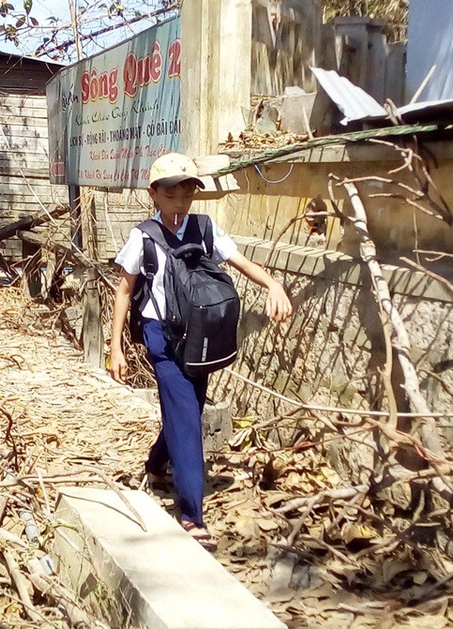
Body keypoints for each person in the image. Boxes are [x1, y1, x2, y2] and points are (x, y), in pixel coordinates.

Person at [108, 152, 293, 550]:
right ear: (154, 194)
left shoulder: (206, 229)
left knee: (186, 406)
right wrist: (115, 348)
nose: (180, 203)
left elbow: (240, 262)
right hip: (161, 337)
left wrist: (272, 285)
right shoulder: (143, 237)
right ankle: (192, 513)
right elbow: (124, 291)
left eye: (187, 195)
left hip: (201, 338)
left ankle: (156, 464)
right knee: (188, 416)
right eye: (172, 195)